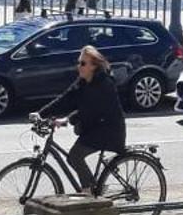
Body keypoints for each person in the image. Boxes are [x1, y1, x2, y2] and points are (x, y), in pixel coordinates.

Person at [38, 44, 126, 191]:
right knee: (74, 157)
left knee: (75, 156)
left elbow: (91, 109)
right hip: (95, 128)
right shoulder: (84, 81)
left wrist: (67, 120)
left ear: (93, 66)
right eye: (79, 62)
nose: (79, 66)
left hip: (109, 130)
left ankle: (90, 193)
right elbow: (66, 98)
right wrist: (41, 113)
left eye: (83, 63)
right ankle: (92, 190)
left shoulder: (104, 84)